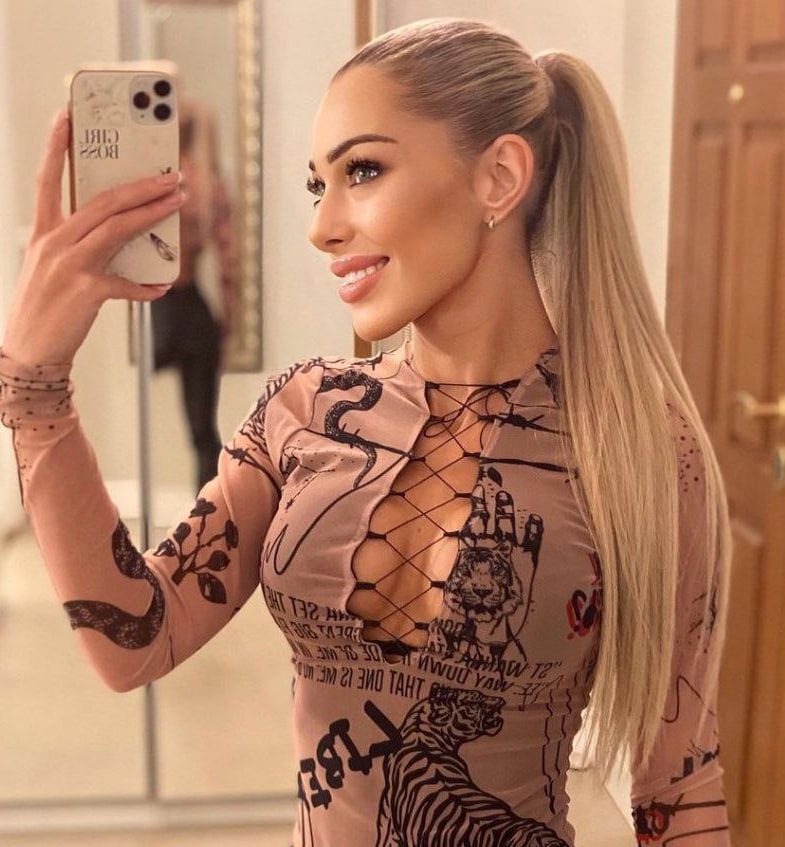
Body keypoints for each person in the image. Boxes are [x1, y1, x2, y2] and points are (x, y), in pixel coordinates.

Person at [0, 17, 733, 846]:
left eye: (363, 171)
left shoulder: (634, 444)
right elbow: (135, 639)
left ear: (498, 177)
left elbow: (678, 784)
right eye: (319, 184)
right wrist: (36, 388)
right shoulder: (304, 412)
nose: (322, 226)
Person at [150, 101, 237, 495]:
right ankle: (210, 512)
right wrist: (229, 325)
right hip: (191, 311)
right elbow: (228, 265)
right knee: (202, 429)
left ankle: (209, 510)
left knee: (200, 428)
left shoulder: (156, 183)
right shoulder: (206, 185)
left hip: (164, 307)